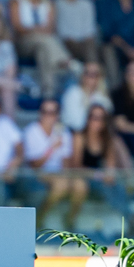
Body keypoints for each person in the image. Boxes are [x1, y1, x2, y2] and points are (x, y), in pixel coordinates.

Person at [9, 0, 71, 98]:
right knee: (45, 40)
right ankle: (66, 61)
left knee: (43, 50)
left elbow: (50, 28)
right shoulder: (16, 1)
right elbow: (18, 27)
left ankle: (48, 92)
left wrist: (34, 29)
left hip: (42, 43)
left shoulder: (49, 2)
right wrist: (36, 30)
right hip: (23, 43)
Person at [23, 97, 82, 227]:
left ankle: (70, 221)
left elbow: (66, 161)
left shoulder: (63, 132)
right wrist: (51, 149)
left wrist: (67, 176)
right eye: (45, 112)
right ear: (40, 113)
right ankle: (39, 217)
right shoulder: (31, 131)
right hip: (37, 173)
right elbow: (34, 165)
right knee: (61, 185)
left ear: (58, 114)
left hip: (58, 173)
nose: (49, 116)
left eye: (53, 112)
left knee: (81, 185)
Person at [71, 104, 132, 225]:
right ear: (87, 119)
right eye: (93, 117)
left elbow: (110, 165)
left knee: (117, 186)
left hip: (100, 179)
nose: (96, 121)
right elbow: (75, 165)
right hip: (83, 178)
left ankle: (129, 218)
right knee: (106, 188)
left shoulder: (107, 139)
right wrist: (97, 175)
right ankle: (130, 218)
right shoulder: (79, 137)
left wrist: (108, 175)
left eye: (100, 118)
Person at [54, 0, 100, 67]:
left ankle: (92, 72)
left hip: (84, 44)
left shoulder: (87, 3)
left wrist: (84, 41)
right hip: (64, 44)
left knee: (91, 46)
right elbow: (57, 31)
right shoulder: (56, 3)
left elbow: (89, 31)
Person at [59, 59, 112, 133]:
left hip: (97, 134)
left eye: (95, 74)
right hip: (75, 133)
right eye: (87, 73)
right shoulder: (73, 93)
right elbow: (75, 123)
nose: (91, 77)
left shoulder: (103, 97)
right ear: (83, 76)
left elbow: (106, 120)